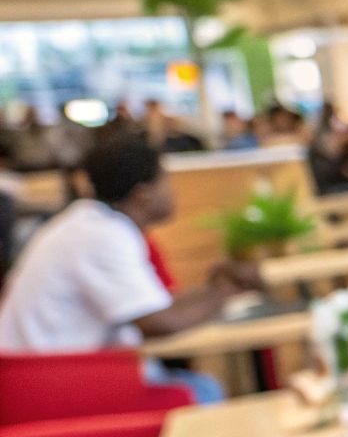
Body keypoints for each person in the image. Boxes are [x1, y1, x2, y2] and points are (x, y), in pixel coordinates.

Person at [0, 137, 261, 402]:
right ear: (143, 193)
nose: (171, 190)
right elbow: (158, 323)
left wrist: (213, 290)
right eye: (165, 180)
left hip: (43, 376)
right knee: (203, 391)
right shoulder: (103, 234)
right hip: (51, 386)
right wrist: (223, 294)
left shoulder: (89, 222)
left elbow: (154, 306)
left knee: (197, 386)